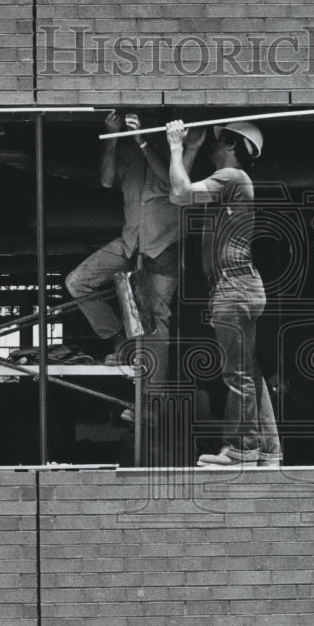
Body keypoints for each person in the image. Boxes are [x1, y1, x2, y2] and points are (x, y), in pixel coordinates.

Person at [166, 119, 282, 468]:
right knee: (248, 371)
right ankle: (269, 451)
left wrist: (175, 146)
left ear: (232, 144)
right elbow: (179, 194)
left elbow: (181, 193)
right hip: (238, 285)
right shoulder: (230, 182)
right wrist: (188, 149)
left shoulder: (233, 177)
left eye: (218, 141)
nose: (212, 146)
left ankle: (241, 450)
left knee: (239, 374)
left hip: (233, 286)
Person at [64, 110, 204, 376]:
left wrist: (142, 141)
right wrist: (114, 137)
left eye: (149, 122)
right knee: (76, 282)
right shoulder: (130, 152)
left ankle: (150, 406)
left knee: (154, 326)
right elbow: (106, 180)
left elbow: (168, 182)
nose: (143, 125)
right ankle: (118, 338)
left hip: (162, 250)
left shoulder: (174, 151)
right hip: (130, 243)